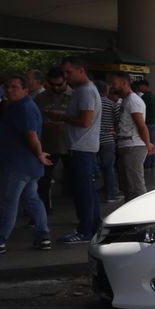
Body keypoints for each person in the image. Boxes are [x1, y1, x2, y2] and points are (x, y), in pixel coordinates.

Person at [0, 76, 53, 253]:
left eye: (15, 87)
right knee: (32, 200)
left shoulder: (24, 108)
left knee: (9, 202)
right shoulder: (20, 106)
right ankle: (43, 238)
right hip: (26, 164)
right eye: (7, 86)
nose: (9, 90)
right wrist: (38, 155)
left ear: (26, 90)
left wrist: (39, 154)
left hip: (18, 165)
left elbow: (31, 136)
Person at [50, 57, 102, 243]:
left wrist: (62, 117)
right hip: (81, 146)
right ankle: (93, 226)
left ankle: (85, 231)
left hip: (82, 148)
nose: (65, 77)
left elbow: (84, 121)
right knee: (87, 190)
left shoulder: (86, 92)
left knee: (83, 191)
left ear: (81, 70)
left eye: (68, 72)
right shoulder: (83, 90)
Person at [110, 72, 155, 200]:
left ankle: (141, 213)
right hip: (127, 145)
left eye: (114, 83)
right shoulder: (126, 100)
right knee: (127, 184)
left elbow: (141, 126)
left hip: (133, 146)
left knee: (135, 185)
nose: (111, 86)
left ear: (124, 83)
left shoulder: (133, 101)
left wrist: (147, 144)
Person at [33, 68, 70, 213]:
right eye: (52, 85)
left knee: (76, 179)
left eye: (59, 85)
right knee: (44, 179)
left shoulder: (75, 96)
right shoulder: (41, 98)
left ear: (65, 81)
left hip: (69, 144)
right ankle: (44, 209)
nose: (56, 88)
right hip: (47, 144)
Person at [98, 84, 123, 202]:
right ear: (106, 91)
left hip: (92, 140)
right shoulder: (112, 104)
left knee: (98, 167)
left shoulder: (92, 103)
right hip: (108, 139)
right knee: (109, 167)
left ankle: (103, 188)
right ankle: (111, 193)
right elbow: (119, 121)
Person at [135, 78, 155, 171]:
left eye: (139, 86)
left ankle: (147, 163)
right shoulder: (154, 97)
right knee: (151, 143)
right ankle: (152, 162)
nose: (138, 88)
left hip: (147, 123)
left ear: (144, 86)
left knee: (146, 144)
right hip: (153, 122)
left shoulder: (144, 98)